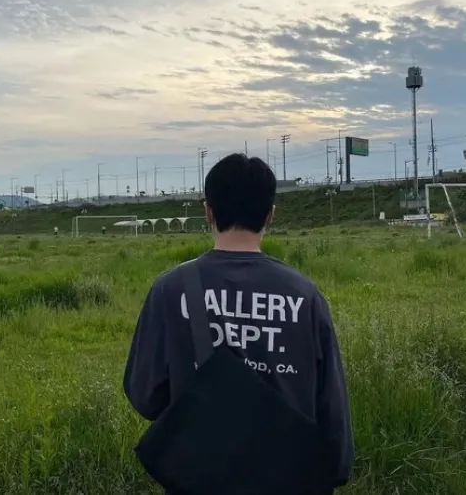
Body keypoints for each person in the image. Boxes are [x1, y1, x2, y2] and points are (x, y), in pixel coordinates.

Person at [124, 153, 354, 492]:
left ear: (208, 211)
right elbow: (331, 412)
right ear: (270, 215)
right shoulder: (305, 296)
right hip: (287, 479)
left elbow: (145, 396)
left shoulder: (171, 289)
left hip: (199, 479)